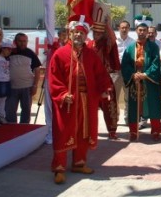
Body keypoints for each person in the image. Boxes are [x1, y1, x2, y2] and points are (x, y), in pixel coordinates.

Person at [48, 17, 113, 184]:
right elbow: (54, 78)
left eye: (82, 33)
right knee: (63, 133)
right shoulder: (60, 54)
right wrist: (62, 94)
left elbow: (100, 74)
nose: (78, 35)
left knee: (84, 132)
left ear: (86, 36)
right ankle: (59, 168)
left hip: (87, 101)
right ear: (70, 34)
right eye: (76, 32)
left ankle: (79, 163)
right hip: (68, 102)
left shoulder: (91, 54)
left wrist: (104, 89)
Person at [121, 15, 161, 141]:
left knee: (153, 105)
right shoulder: (129, 47)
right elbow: (125, 64)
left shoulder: (154, 47)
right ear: (136, 31)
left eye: (144, 30)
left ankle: (155, 131)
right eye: (140, 30)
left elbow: (156, 63)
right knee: (134, 108)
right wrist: (133, 75)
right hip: (135, 81)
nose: (142, 32)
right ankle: (133, 132)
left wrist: (146, 74)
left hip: (149, 80)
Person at [87, 2, 120, 140]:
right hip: (90, 80)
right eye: (95, 32)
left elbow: (112, 39)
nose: (97, 35)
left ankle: (112, 131)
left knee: (110, 105)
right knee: (89, 107)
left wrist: (107, 25)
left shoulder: (106, 44)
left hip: (105, 79)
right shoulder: (87, 44)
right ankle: (88, 131)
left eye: (100, 33)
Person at [6, 33, 41, 124]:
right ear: (15, 41)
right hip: (11, 87)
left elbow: (37, 70)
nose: (22, 43)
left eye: (24, 41)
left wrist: (35, 85)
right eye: (20, 41)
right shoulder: (9, 53)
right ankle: (11, 130)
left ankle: (24, 130)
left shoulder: (31, 53)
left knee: (26, 111)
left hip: (27, 87)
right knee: (10, 112)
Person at [43, 28, 68, 144]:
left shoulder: (69, 47)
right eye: (62, 34)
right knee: (49, 107)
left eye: (66, 34)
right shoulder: (53, 46)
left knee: (62, 108)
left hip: (63, 81)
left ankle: (62, 132)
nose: (64, 36)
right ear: (58, 35)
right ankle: (50, 133)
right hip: (51, 79)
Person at [115, 20, 134, 123]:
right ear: (119, 28)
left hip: (128, 72)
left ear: (129, 29)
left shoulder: (132, 42)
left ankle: (127, 119)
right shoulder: (113, 40)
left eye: (126, 27)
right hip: (115, 72)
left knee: (128, 97)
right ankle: (114, 119)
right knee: (115, 97)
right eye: (122, 27)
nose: (124, 29)